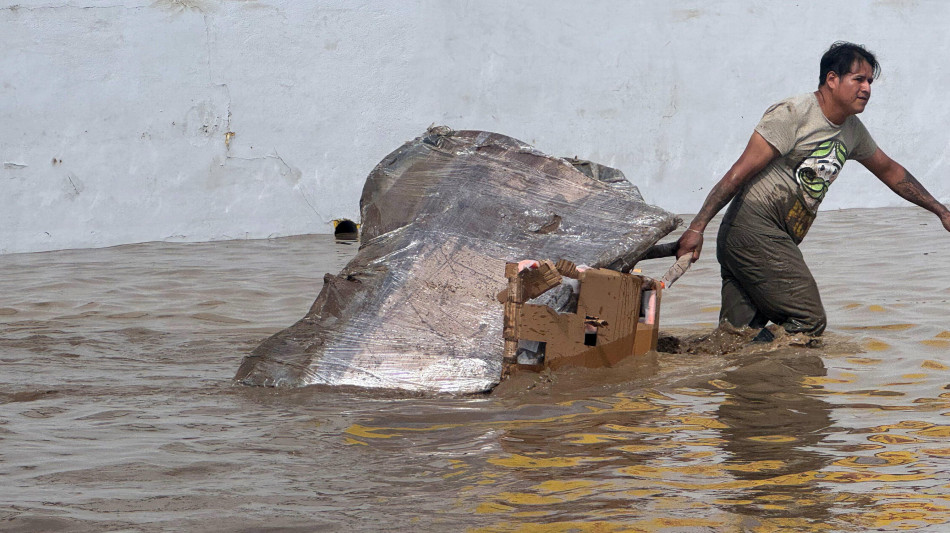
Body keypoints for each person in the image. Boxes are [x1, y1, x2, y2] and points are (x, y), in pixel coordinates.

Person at [676, 41, 950, 339]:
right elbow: (736, 174)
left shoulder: (852, 130)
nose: (867, 88)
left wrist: (941, 211)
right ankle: (783, 375)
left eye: (870, 81)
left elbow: (890, 171)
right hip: (754, 229)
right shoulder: (794, 113)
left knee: (732, 339)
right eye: (858, 79)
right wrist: (696, 228)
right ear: (832, 80)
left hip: (766, 238)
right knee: (808, 320)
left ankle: (731, 377)